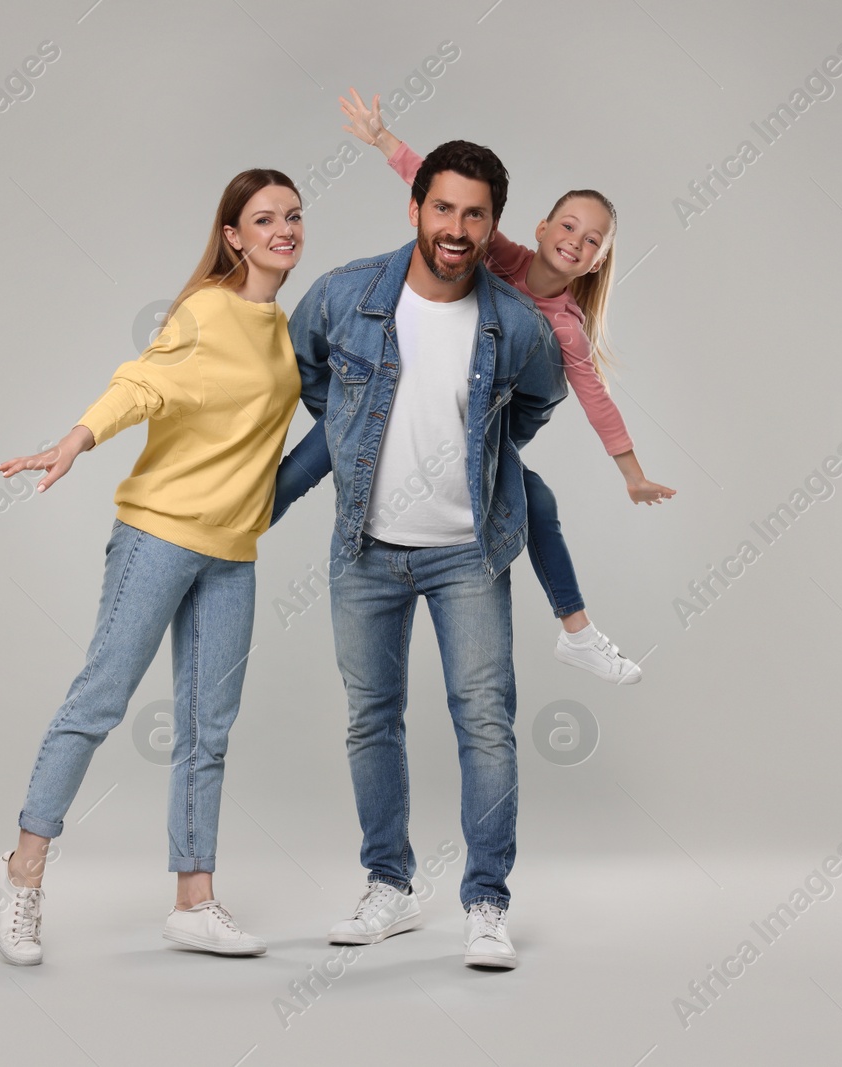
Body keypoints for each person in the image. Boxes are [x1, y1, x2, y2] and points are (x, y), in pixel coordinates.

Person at [0, 169, 305, 964]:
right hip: (159, 536)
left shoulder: (288, 330)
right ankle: (22, 873)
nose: (283, 229)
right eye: (264, 218)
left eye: (294, 217)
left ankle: (193, 901)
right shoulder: (205, 311)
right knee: (99, 700)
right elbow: (142, 384)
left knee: (209, 729)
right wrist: (75, 440)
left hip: (233, 553)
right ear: (233, 235)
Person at [272, 139, 566, 969]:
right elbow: (302, 373)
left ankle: (486, 902)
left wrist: (481, 448)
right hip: (366, 547)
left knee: (486, 725)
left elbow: (539, 400)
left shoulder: (516, 324)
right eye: (444, 207)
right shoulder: (346, 294)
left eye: (475, 213)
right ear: (415, 209)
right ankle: (389, 888)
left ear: (493, 224)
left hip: (469, 553)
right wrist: (349, 431)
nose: (457, 227)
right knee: (371, 721)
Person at [275, 90, 675, 686]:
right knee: (327, 439)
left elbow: (594, 400)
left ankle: (579, 632)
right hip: (408, 405)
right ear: (541, 228)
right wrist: (383, 138)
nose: (576, 241)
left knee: (536, 502)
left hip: (474, 430)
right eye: (569, 226)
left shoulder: (562, 326)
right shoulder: (501, 252)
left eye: (593, 241)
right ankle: (232, 526)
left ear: (597, 262)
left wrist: (632, 473)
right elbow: (438, 190)